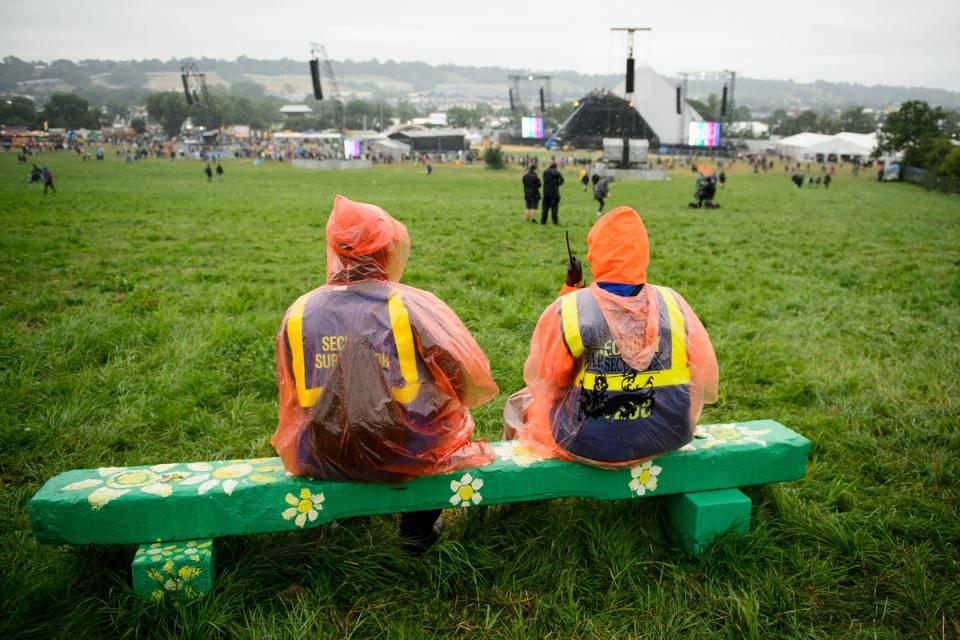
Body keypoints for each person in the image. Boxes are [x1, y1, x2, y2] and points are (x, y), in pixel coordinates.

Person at [273, 195, 499, 546]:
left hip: (323, 451)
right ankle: (417, 529)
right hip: (405, 448)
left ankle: (343, 519)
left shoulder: (301, 311)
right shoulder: (411, 306)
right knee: (450, 420)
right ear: (387, 249)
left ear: (335, 250)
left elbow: (290, 399)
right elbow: (469, 382)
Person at [503, 207, 719, 466]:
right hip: (669, 436)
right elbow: (702, 378)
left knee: (519, 403)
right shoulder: (674, 303)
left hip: (588, 444)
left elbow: (548, 382)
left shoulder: (571, 308)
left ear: (596, 254)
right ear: (643, 252)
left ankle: (523, 491)